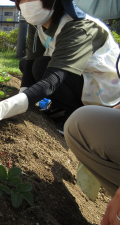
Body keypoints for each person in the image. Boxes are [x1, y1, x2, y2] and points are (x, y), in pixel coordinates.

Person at [0, 0, 120, 135]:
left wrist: (0, 110)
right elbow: (30, 61)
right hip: (77, 78)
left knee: (41, 66)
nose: (26, 3)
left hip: (101, 87)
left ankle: (75, 114)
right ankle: (61, 107)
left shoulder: (78, 26)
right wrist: (23, 100)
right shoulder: (37, 23)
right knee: (27, 63)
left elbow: (52, 80)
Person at [64, 0, 120, 224]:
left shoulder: (81, 26)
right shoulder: (44, 29)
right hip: (107, 96)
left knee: (79, 124)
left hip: (105, 91)